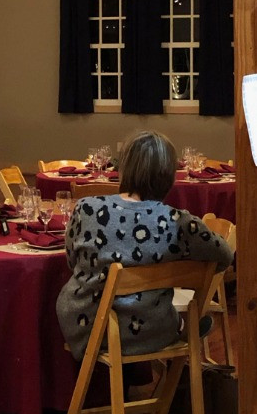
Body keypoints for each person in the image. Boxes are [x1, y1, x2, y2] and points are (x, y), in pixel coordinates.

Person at [57, 130, 235, 360]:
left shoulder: (87, 209)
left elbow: (72, 261)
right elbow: (224, 255)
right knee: (170, 317)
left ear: (125, 168)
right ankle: (182, 334)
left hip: (88, 328)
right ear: (170, 175)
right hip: (153, 330)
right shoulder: (179, 223)